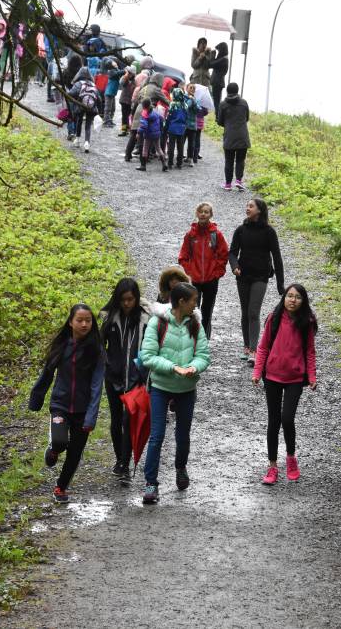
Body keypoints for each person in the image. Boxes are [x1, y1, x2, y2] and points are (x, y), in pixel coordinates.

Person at [139, 283, 211, 503]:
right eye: (193, 300)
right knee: (157, 435)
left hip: (187, 389)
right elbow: (147, 356)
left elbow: (204, 356)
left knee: (183, 435)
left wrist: (194, 368)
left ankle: (181, 468)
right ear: (181, 301)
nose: (196, 304)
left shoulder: (196, 325)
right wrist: (173, 367)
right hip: (160, 387)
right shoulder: (156, 323)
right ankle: (151, 483)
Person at [29, 304, 105, 503]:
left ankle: (61, 487)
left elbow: (97, 386)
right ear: (71, 322)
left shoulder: (96, 350)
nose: (84, 324)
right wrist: (36, 398)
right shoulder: (62, 345)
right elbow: (47, 373)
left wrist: (91, 417)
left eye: (88, 320)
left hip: (83, 408)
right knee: (61, 442)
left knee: (75, 452)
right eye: (79, 320)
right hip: (61, 405)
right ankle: (53, 450)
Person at [252, 284, 317, 485]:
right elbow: (262, 348)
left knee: (287, 419)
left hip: (295, 379)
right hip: (271, 376)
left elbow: (309, 352)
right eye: (289, 296)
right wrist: (257, 372)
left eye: (297, 297)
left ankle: (290, 457)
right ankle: (272, 466)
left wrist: (312, 377)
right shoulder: (274, 318)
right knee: (274, 421)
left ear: (303, 301)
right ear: (284, 298)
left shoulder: (306, 322)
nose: (292, 300)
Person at [100, 278, 151, 482]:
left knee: (128, 420)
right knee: (115, 419)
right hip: (113, 376)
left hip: (135, 377)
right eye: (123, 300)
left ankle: (125, 461)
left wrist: (145, 373)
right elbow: (98, 344)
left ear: (136, 298)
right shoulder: (110, 318)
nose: (127, 304)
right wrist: (106, 364)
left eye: (130, 299)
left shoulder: (146, 319)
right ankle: (120, 460)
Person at [229, 197, 285, 367]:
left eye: (251, 206)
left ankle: (254, 350)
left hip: (261, 276)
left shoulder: (269, 232)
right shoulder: (241, 230)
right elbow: (232, 253)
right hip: (243, 275)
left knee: (254, 311)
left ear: (259, 210)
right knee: (245, 311)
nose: (247, 208)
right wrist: (235, 266)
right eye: (247, 206)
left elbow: (277, 257)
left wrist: (280, 284)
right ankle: (246, 346)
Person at [178, 202, 229, 339]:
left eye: (206, 212)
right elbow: (183, 256)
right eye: (201, 211)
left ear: (210, 215)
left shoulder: (216, 235)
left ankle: (204, 340)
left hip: (211, 280)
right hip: (194, 280)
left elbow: (224, 255)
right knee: (192, 309)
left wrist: (217, 273)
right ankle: (191, 338)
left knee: (207, 311)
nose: (203, 214)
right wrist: (190, 271)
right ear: (197, 214)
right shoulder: (191, 235)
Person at [217, 82, 251, 191]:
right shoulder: (244, 102)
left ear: (227, 91)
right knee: (240, 160)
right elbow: (247, 118)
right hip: (242, 136)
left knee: (229, 161)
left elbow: (220, 121)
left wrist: (227, 124)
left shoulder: (223, 104)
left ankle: (227, 184)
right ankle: (239, 181)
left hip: (229, 136)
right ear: (237, 90)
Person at [67, 67, 102, 153]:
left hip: (80, 106)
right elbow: (99, 99)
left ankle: (77, 140)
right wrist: (99, 112)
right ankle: (87, 143)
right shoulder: (93, 85)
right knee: (88, 125)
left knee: (79, 121)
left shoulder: (78, 84)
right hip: (91, 107)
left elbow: (71, 93)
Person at [136, 98, 167, 172]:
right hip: (157, 133)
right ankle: (164, 164)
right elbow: (161, 119)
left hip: (148, 134)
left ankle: (143, 165)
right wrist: (160, 130)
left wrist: (138, 132)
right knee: (158, 148)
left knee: (145, 149)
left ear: (143, 106)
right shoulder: (155, 111)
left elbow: (144, 126)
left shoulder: (145, 113)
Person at [164, 87, 188, 169]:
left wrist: (166, 126)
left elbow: (169, 117)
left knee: (171, 145)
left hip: (173, 127)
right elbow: (186, 117)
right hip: (181, 128)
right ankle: (179, 163)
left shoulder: (173, 104)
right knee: (180, 146)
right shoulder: (185, 105)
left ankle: (170, 163)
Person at [208, 42, 229, 117]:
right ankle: (218, 115)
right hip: (218, 82)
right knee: (216, 100)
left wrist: (212, 54)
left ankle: (218, 116)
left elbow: (210, 64)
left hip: (217, 82)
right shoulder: (224, 59)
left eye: (219, 50)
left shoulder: (223, 60)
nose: (218, 52)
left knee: (216, 101)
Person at [103, 59, 124, 128]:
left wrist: (120, 69)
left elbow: (119, 73)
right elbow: (117, 73)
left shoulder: (116, 70)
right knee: (108, 108)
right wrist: (124, 71)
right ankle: (106, 121)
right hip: (109, 93)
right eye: (113, 62)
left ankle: (110, 120)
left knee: (113, 108)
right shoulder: (111, 71)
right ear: (110, 65)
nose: (115, 63)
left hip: (112, 93)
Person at [184, 83, 200, 168]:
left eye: (194, 88)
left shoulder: (196, 100)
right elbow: (185, 107)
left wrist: (193, 100)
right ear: (186, 89)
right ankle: (180, 157)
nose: (192, 89)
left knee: (191, 143)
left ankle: (190, 158)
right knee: (181, 142)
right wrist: (189, 99)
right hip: (184, 124)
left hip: (193, 125)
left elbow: (198, 110)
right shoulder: (184, 98)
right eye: (191, 87)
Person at [118, 66, 136, 136]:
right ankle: (124, 130)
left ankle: (128, 129)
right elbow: (121, 83)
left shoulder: (135, 80)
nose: (128, 74)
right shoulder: (125, 78)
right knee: (124, 116)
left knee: (129, 115)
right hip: (123, 100)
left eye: (129, 73)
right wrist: (125, 76)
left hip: (130, 101)